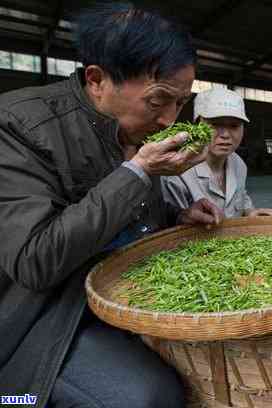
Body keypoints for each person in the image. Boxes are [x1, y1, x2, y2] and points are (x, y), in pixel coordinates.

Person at [0, 4, 225, 408]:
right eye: (159, 101)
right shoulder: (18, 125)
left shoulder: (132, 128)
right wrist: (137, 172)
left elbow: (122, 220)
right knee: (147, 397)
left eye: (180, 103)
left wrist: (176, 218)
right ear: (97, 79)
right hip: (49, 318)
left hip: (122, 295)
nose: (169, 120)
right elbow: (35, 260)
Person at [163, 87, 272, 217]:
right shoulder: (177, 170)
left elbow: (240, 197)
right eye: (215, 125)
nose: (225, 134)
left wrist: (250, 212)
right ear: (197, 126)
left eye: (234, 126)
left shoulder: (238, 163)